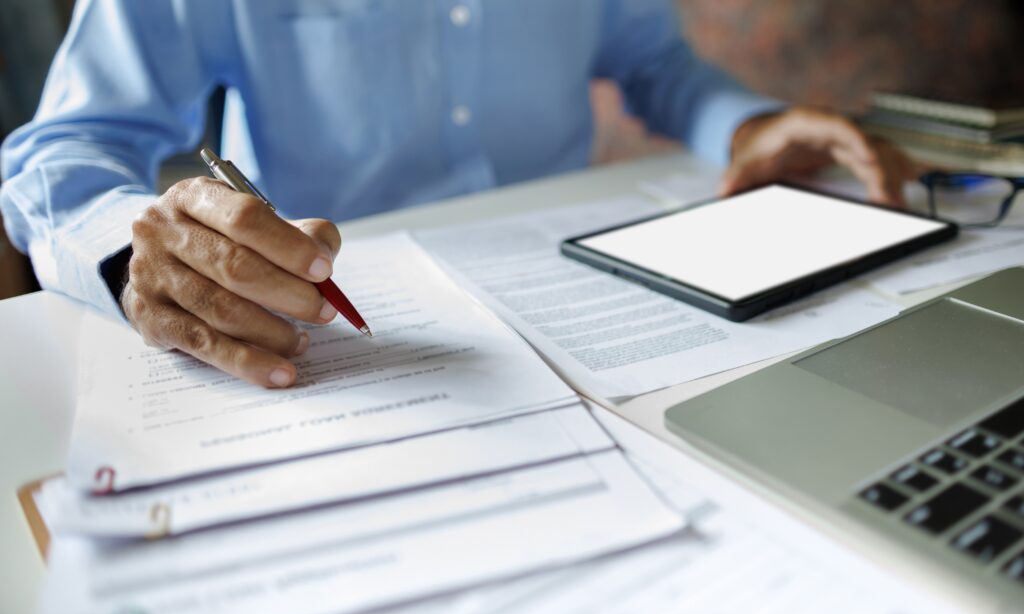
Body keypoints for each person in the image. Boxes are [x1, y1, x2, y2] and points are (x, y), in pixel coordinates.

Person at [0, 0, 914, 388]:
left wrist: (746, 126)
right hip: (335, 327)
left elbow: (654, 63)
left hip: (589, 293)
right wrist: (133, 257)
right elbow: (62, 150)